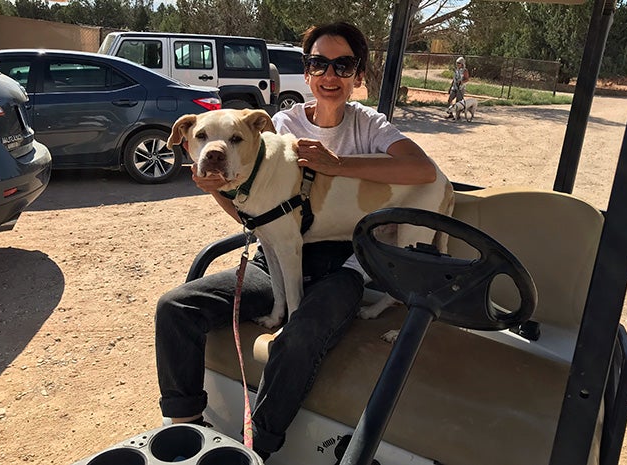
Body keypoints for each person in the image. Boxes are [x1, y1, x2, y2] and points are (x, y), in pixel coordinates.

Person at [154, 21, 438, 461]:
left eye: (342, 64)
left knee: (298, 335)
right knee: (175, 307)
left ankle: (257, 449)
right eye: (318, 63)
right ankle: (185, 428)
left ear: (358, 74)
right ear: (305, 72)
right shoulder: (277, 127)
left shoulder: (369, 124)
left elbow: (423, 172)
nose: (329, 74)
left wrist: (338, 164)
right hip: (278, 256)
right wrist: (218, 188)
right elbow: (255, 216)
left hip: (346, 262)